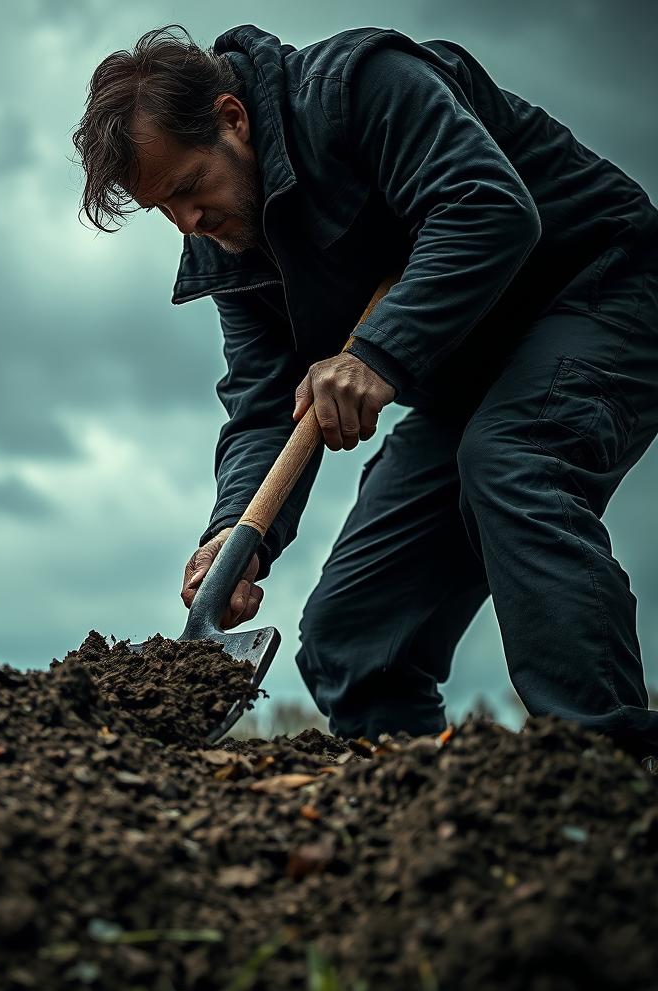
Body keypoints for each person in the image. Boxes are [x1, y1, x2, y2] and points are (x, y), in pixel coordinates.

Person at [72, 24, 658, 759]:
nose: (188, 222)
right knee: (352, 635)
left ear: (232, 118)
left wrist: (376, 356)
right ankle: (427, 825)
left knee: (511, 461)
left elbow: (487, 206)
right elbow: (263, 404)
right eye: (165, 209)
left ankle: (604, 776)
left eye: (190, 187)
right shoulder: (231, 245)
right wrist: (235, 535)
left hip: (599, 287)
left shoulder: (359, 86)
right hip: (467, 374)